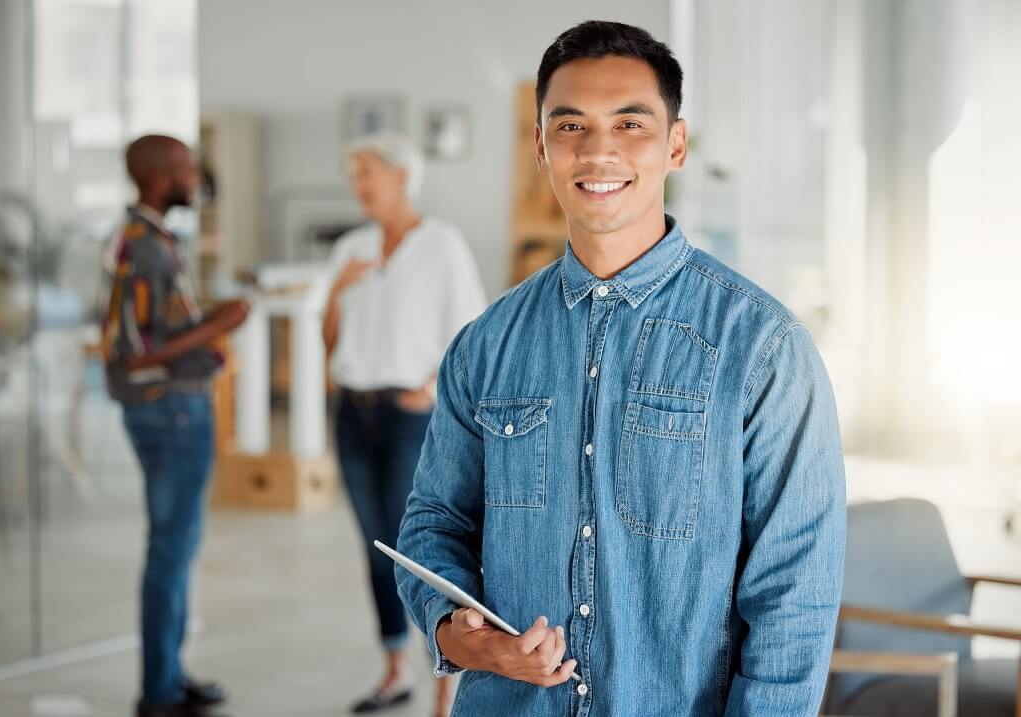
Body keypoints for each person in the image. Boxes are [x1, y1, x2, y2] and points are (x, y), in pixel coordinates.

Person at [396, 21, 846, 716]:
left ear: (676, 144)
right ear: (542, 149)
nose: (598, 148)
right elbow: (433, 524)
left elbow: (795, 592)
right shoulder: (484, 346)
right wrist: (461, 637)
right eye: (570, 125)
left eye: (629, 123)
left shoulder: (763, 348)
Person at [321, 133, 487, 715]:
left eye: (368, 172)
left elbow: (471, 334)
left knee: (417, 548)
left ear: (402, 176)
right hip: (352, 412)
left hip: (410, 418)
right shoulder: (350, 248)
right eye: (354, 174)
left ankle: (448, 682)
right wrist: (337, 296)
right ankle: (395, 668)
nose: (359, 184)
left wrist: (431, 391)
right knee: (375, 548)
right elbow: (328, 343)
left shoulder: (441, 245)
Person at [101, 134, 249, 717]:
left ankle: (169, 673)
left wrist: (212, 320)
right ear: (160, 177)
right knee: (170, 551)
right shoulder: (145, 246)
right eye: (187, 168)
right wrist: (221, 324)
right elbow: (133, 351)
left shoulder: (149, 238)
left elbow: (154, 330)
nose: (196, 176)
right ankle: (158, 692)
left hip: (169, 406)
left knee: (177, 549)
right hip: (170, 410)